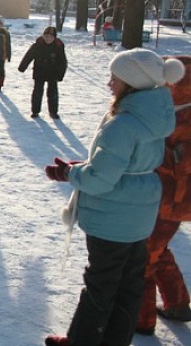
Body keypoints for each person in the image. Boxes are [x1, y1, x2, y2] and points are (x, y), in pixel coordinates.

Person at [43, 49, 185, 346]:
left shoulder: (123, 124)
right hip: (139, 215)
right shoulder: (153, 116)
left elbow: (100, 179)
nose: (109, 83)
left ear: (132, 83)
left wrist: (68, 175)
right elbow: (127, 165)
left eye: (115, 78)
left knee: (101, 283)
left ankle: (82, 341)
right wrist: (80, 168)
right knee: (129, 284)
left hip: (112, 218)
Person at [136, 55, 191, 336]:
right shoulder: (175, 113)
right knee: (158, 248)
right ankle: (178, 303)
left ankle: (141, 318)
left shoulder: (176, 119)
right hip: (176, 202)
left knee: (143, 257)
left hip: (167, 200)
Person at [18, 26, 67, 119]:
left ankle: (53, 112)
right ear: (43, 36)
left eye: (50, 37)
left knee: (52, 93)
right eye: (46, 36)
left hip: (53, 73)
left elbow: (63, 62)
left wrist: (60, 75)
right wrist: (22, 66)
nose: (48, 39)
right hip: (39, 72)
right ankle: (35, 111)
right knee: (37, 92)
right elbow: (28, 56)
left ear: (54, 38)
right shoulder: (37, 45)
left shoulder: (58, 46)